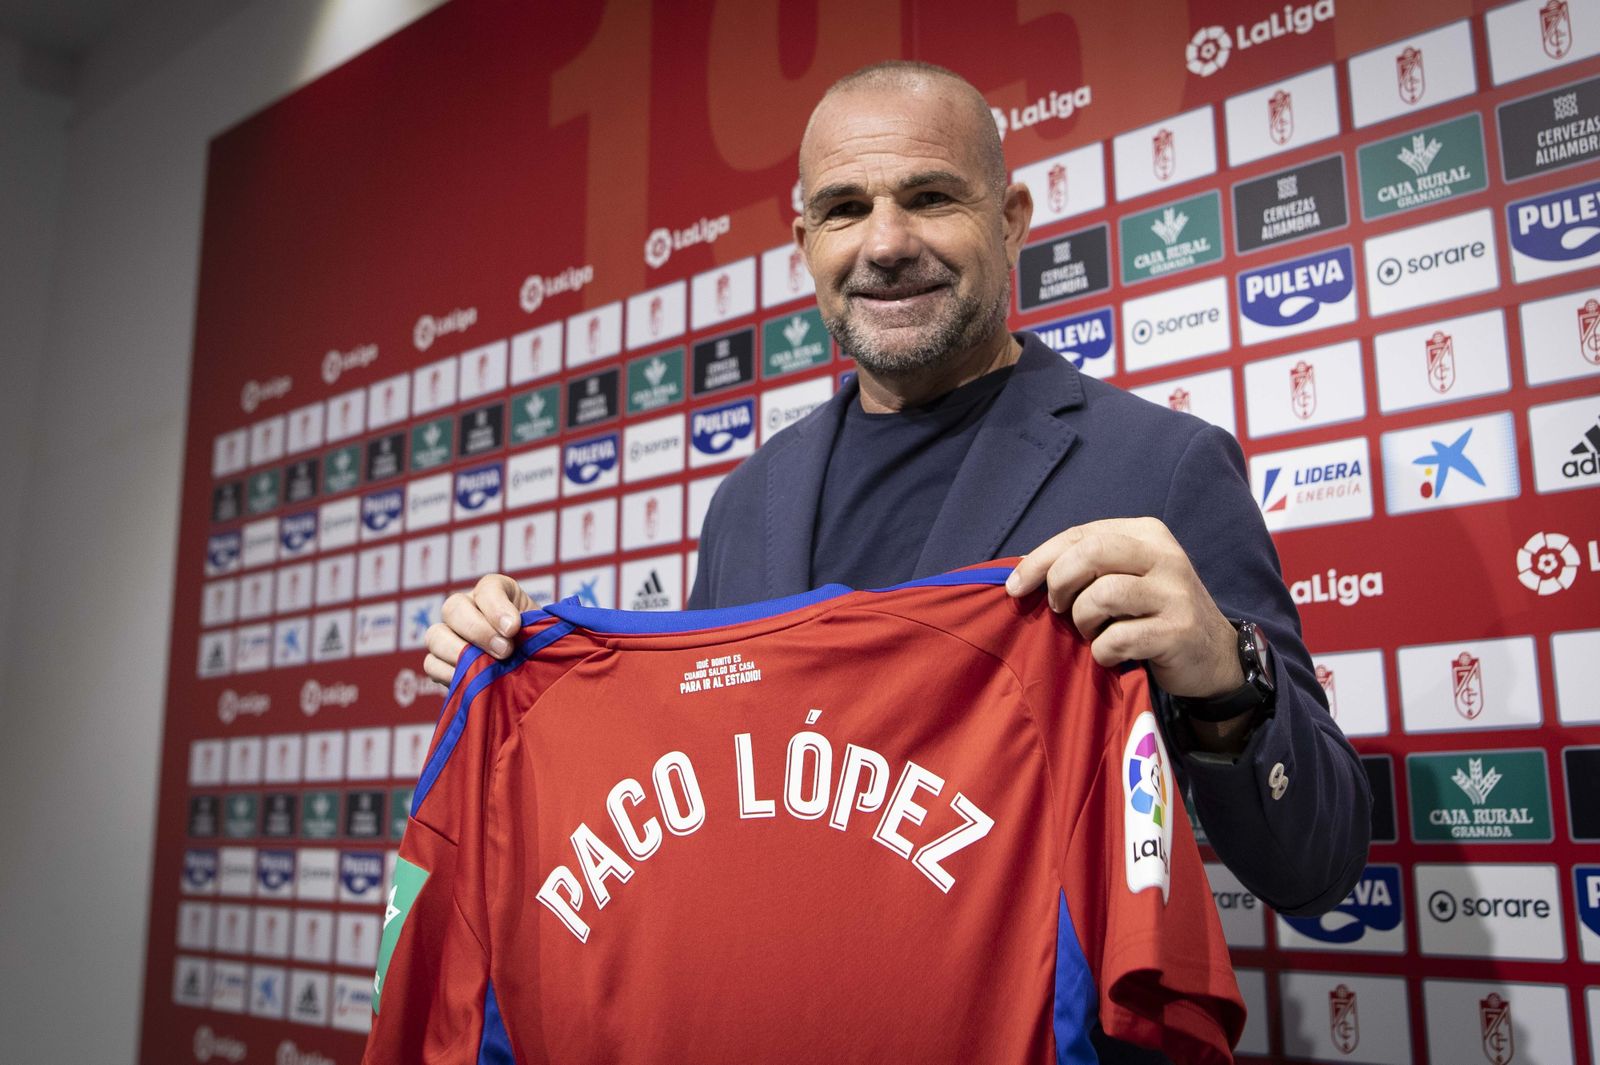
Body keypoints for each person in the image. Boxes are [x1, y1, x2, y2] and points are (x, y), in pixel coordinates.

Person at [425, 60, 1370, 919]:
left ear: (1010, 221)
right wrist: (522, 667)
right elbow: (692, 806)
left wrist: (1224, 675)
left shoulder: (1161, 466)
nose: (884, 243)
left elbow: (1316, 864)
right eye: (844, 209)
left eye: (929, 196)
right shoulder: (745, 503)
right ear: (804, 244)